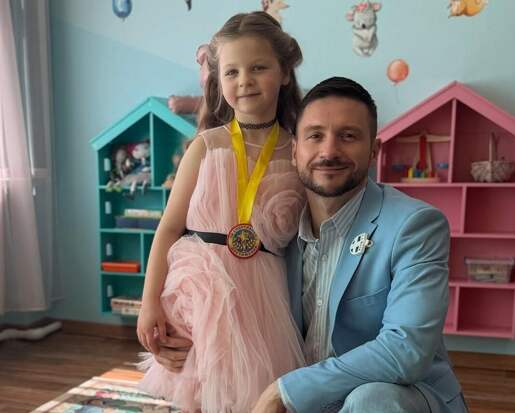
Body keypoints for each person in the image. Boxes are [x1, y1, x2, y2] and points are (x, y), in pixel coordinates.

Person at [251, 77, 468, 413]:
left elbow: (406, 350)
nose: (329, 152)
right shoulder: (278, 227)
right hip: (311, 404)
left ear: (374, 151)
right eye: (315, 136)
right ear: (294, 151)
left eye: (348, 136)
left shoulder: (415, 225)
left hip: (397, 400)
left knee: (371, 400)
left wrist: (286, 391)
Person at [135, 11, 306, 413]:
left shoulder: (298, 151)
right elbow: (169, 228)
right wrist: (148, 303)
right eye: (232, 72)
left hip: (262, 295)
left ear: (284, 72)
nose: (244, 80)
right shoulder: (206, 146)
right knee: (198, 391)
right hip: (200, 288)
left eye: (258, 67)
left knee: (254, 393)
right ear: (219, 80)